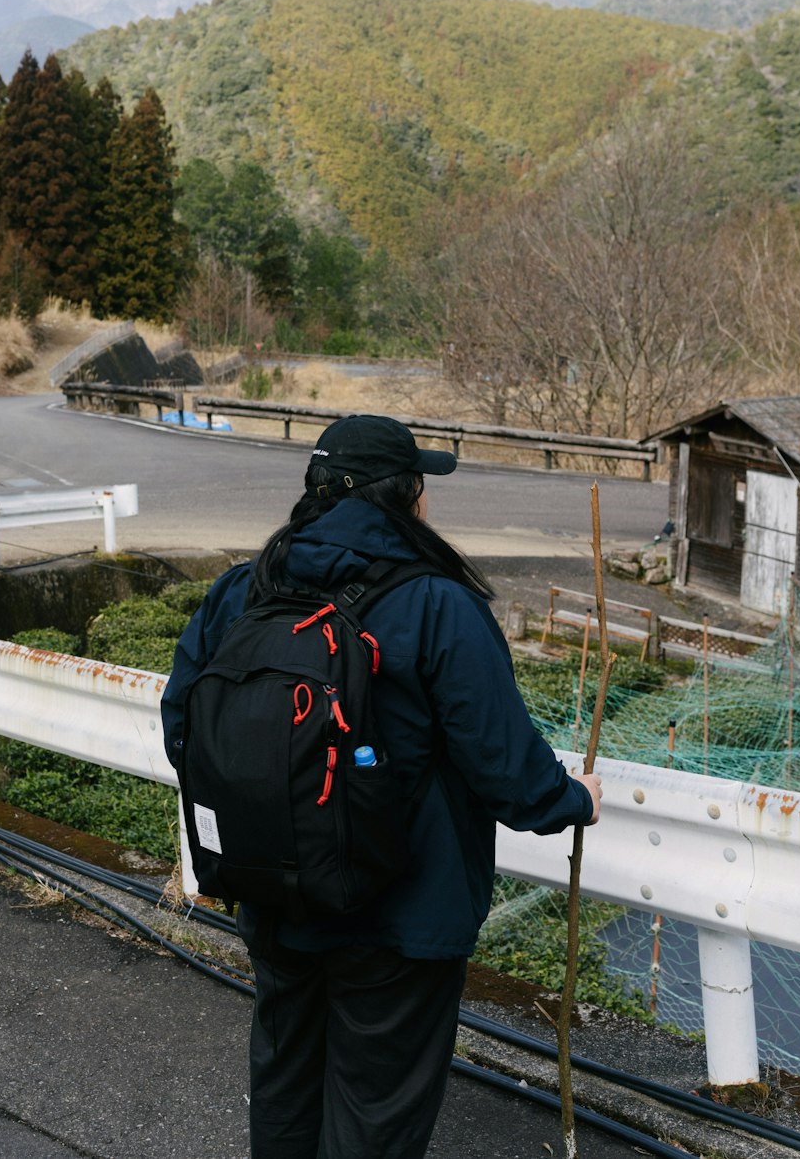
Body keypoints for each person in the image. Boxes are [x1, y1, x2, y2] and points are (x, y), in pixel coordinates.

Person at [161, 413, 602, 1159]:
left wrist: (281, 811)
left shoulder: (244, 589)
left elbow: (184, 730)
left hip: (272, 893)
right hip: (399, 915)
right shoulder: (439, 605)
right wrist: (574, 799)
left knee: (285, 1088)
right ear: (408, 497)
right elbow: (506, 771)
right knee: (375, 1115)